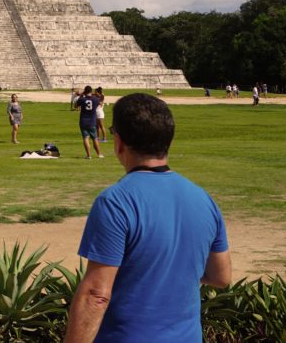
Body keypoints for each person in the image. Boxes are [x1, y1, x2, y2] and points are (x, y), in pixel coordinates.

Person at [64, 93, 231, 342]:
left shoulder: (115, 202)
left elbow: (96, 295)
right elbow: (221, 277)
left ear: (119, 142)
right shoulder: (203, 199)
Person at [75, 86, 103, 159]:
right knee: (95, 138)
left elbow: (75, 106)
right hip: (92, 121)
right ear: (91, 91)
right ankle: (99, 154)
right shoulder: (95, 99)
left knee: (85, 138)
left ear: (85, 91)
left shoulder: (82, 99)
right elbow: (100, 103)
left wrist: (81, 96)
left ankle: (88, 155)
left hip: (83, 121)